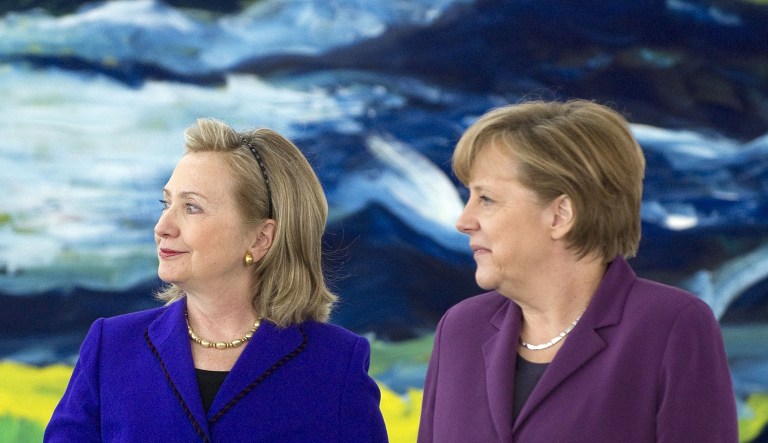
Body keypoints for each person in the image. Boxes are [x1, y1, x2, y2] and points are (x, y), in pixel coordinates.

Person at [45, 118, 388, 442]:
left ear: (260, 238)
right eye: (165, 203)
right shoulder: (112, 347)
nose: (162, 226)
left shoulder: (336, 364)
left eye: (191, 207)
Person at [418, 99, 738, 442]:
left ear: (561, 215)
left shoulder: (672, 326)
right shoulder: (460, 328)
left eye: (486, 199)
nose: (463, 222)